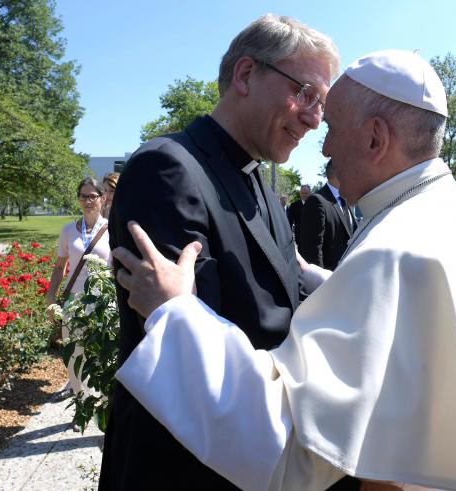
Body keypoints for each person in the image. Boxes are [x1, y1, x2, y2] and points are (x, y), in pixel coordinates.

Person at [113, 49, 456, 491]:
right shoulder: (449, 210)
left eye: (334, 127)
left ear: (375, 138)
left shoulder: (394, 249)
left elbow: (292, 447)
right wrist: (318, 278)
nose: (325, 146)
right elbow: (399, 318)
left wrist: (175, 312)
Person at [99, 14, 341, 490]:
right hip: (180, 464)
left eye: (322, 105)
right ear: (246, 75)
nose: (314, 119)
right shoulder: (166, 168)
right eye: (306, 94)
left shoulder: (262, 183)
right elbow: (182, 337)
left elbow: (285, 296)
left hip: (245, 451)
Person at [45, 177, 110, 399]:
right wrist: (50, 296)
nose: (88, 201)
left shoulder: (113, 229)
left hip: (104, 301)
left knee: (104, 355)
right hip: (74, 300)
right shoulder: (68, 230)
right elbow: (59, 267)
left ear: (103, 198)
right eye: (83, 196)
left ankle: (103, 401)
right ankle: (81, 400)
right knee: (74, 354)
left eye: (93, 196)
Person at [300, 159, 356, 270]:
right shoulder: (316, 201)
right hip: (330, 276)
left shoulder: (345, 199)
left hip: (349, 272)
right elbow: (312, 250)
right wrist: (321, 279)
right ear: (340, 172)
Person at [286, 183, 311, 249]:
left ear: (310, 193)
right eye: (302, 193)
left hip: (313, 238)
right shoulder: (294, 205)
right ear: (300, 193)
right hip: (299, 238)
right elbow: (289, 222)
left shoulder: (315, 205)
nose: (304, 195)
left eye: (306, 193)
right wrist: (289, 237)